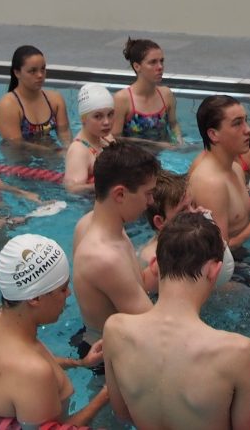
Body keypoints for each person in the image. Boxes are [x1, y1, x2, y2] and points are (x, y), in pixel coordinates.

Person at [103, 212, 250, 430]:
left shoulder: (114, 330)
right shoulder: (237, 352)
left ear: (155, 264)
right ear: (214, 270)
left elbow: (121, 413)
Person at [0, 234, 108, 427]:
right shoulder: (33, 373)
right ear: (34, 298)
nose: (68, 294)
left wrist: (80, 363)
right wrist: (106, 394)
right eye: (62, 289)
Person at [70, 142, 160, 365]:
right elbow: (155, 329)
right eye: (147, 194)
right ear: (120, 194)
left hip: (96, 339)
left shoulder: (88, 224)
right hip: (107, 360)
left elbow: (125, 290)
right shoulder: (104, 258)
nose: (151, 202)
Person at [190, 95, 250, 248]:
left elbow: (232, 223)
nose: (249, 130)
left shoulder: (236, 169)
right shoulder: (210, 183)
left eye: (245, 120)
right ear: (213, 134)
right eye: (237, 123)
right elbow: (218, 253)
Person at [0, 45, 72, 151]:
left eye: (43, 69)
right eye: (32, 71)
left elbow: (64, 132)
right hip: (17, 157)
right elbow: (15, 143)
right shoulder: (8, 105)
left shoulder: (55, 100)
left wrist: (68, 150)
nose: (40, 75)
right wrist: (51, 152)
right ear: (17, 73)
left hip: (49, 152)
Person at [112, 37, 183, 144]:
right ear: (137, 66)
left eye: (161, 61)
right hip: (135, 157)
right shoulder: (122, 99)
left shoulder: (166, 94)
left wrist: (179, 139)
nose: (160, 67)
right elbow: (115, 138)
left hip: (166, 154)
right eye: (153, 62)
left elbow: (173, 124)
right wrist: (157, 145)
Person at [64, 84, 116, 193]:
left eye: (110, 114)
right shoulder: (79, 150)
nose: (107, 122)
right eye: (98, 116)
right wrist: (111, 185)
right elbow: (72, 189)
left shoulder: (108, 138)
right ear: (83, 119)